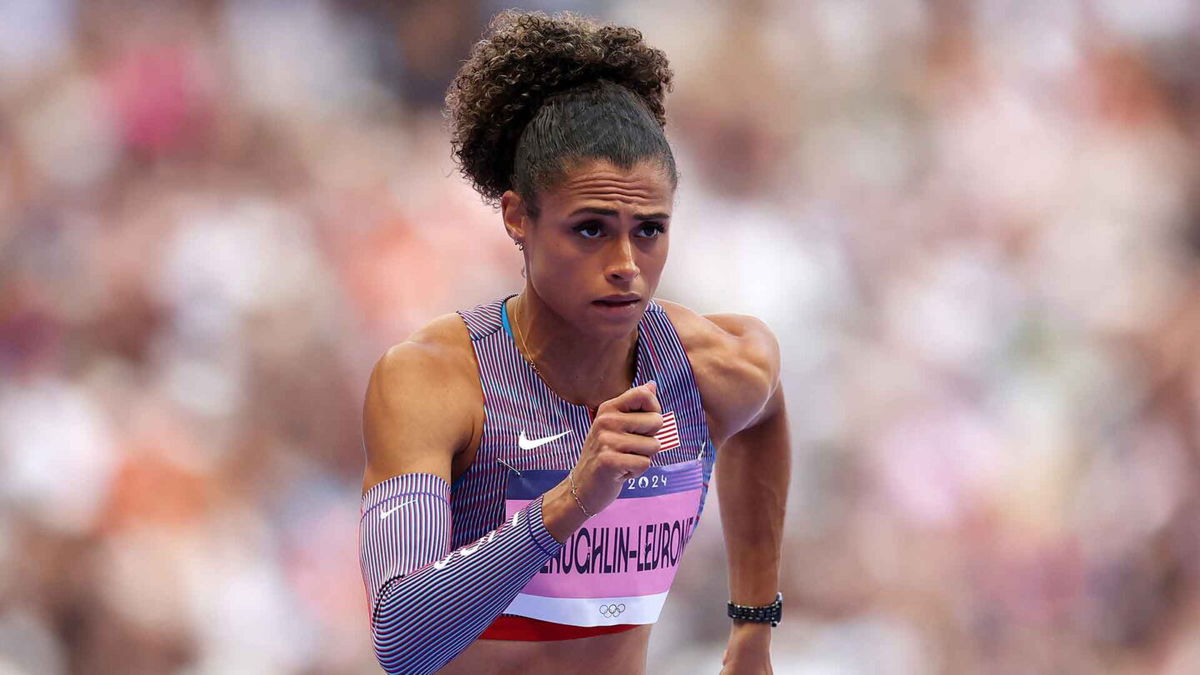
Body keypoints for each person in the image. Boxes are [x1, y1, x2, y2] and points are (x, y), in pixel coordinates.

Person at [358, 10, 790, 674]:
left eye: (649, 229)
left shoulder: (706, 366)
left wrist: (753, 626)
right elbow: (401, 640)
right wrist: (571, 498)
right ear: (517, 217)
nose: (626, 262)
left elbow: (766, 410)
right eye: (590, 229)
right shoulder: (435, 382)